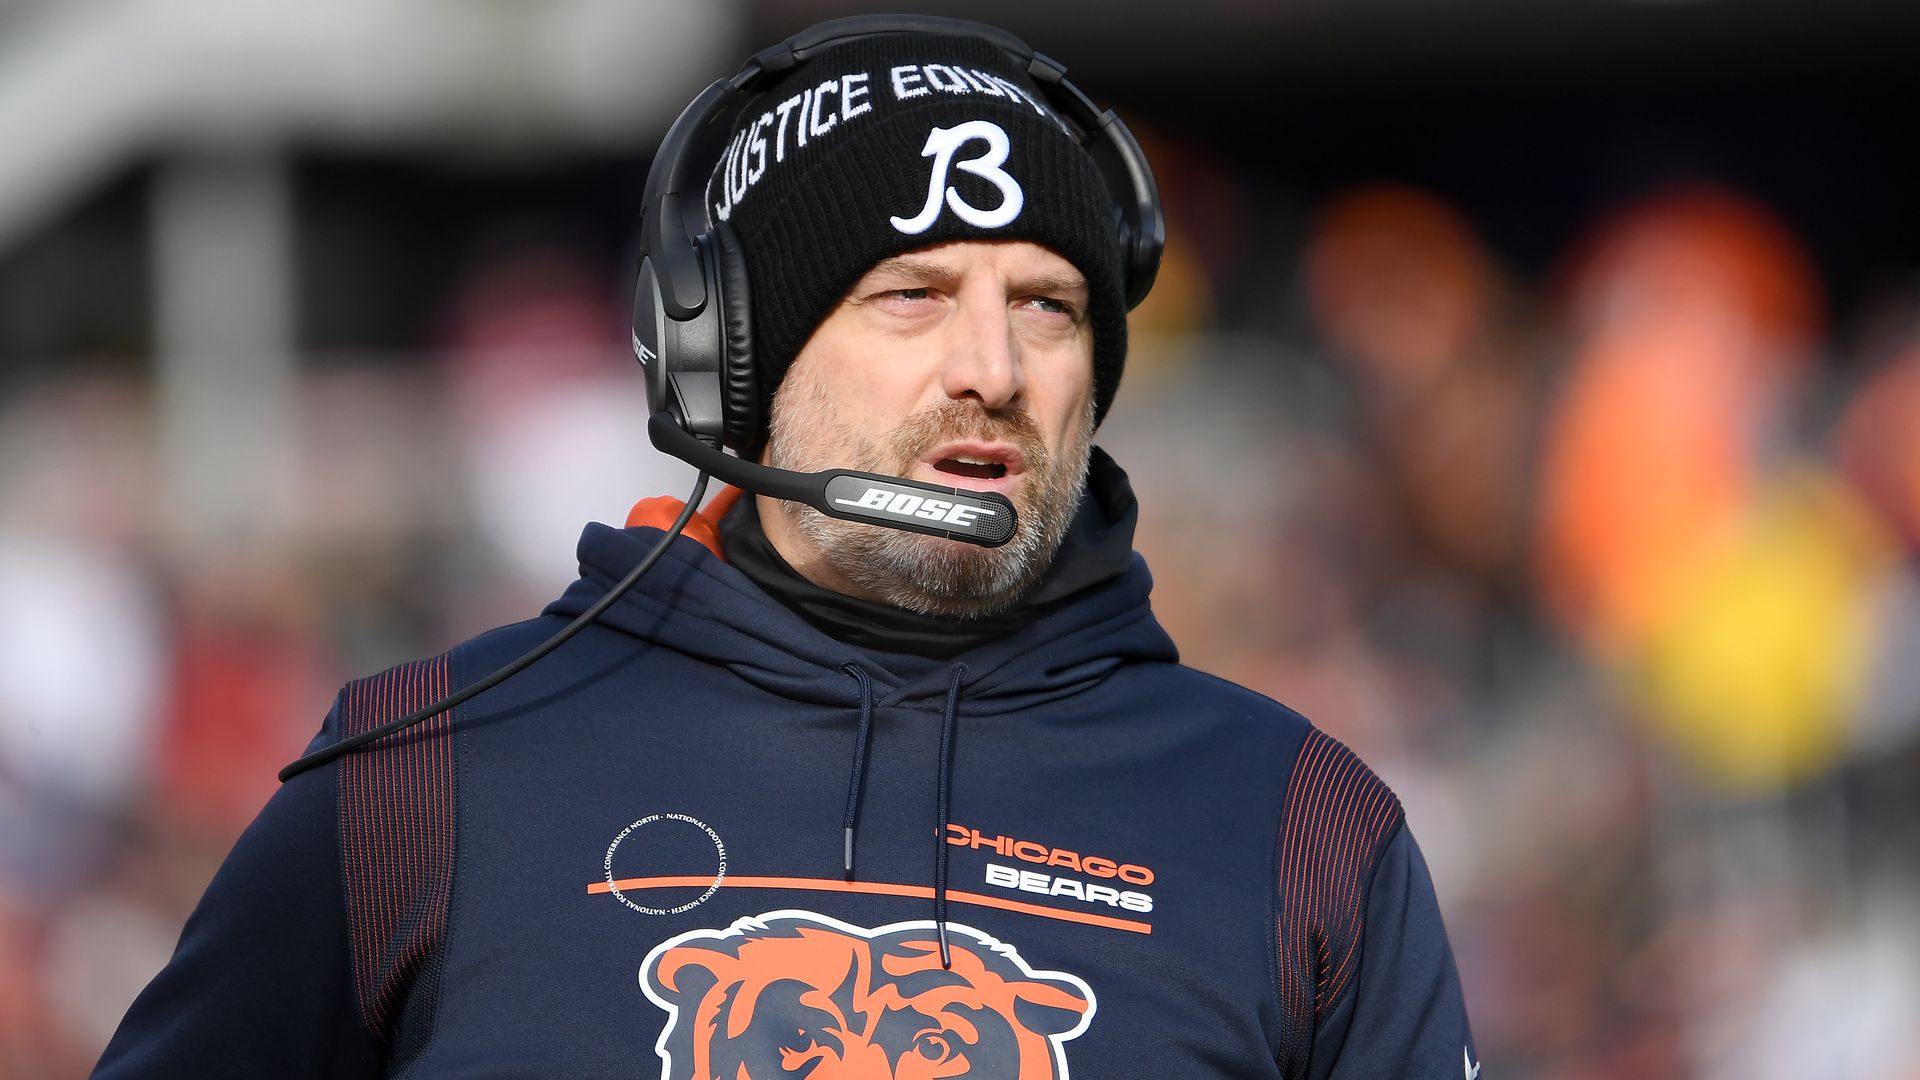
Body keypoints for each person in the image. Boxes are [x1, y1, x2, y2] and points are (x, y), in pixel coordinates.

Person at [96, 17, 1476, 1079]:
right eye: (912, 295)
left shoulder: (1303, 829)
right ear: (730, 360)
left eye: (1048, 305)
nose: (992, 367)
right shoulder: (422, 779)